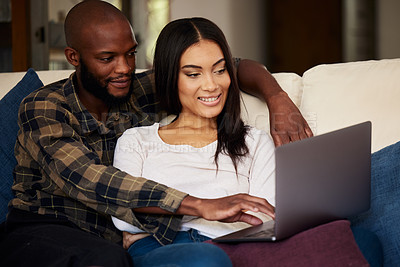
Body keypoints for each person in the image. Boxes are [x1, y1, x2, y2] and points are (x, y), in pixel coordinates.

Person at [0, 1, 311, 266]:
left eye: (131, 54)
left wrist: (277, 99)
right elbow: (87, 178)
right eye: (108, 58)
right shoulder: (44, 106)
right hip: (49, 226)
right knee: (105, 261)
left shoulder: (131, 88)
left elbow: (229, 67)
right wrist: (200, 205)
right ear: (74, 57)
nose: (124, 68)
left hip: (114, 235)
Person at [111, 17, 276, 264]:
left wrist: (156, 215)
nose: (211, 85)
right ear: (170, 78)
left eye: (220, 70)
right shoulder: (136, 141)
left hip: (234, 247)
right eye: (193, 74)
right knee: (204, 258)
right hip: (163, 249)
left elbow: (265, 217)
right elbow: (123, 215)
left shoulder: (255, 141)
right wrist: (207, 207)